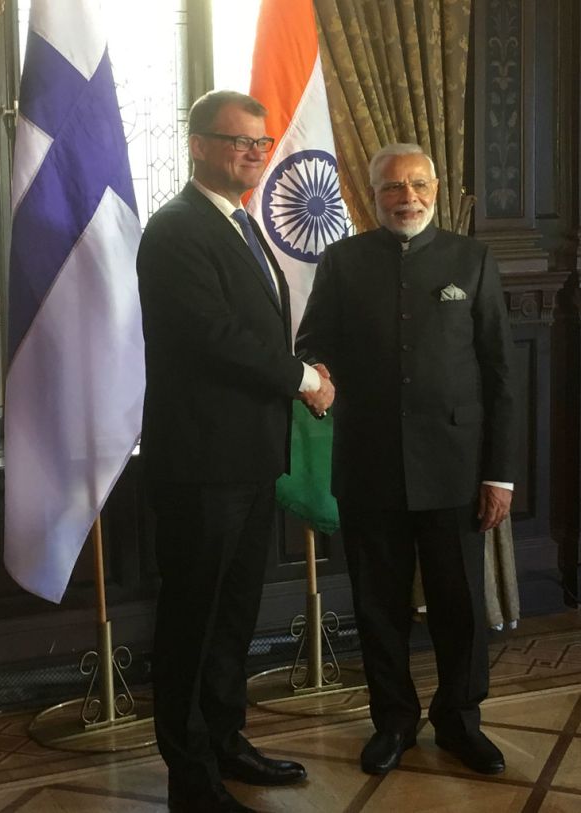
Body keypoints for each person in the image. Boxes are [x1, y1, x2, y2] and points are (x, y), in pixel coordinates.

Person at [137, 90, 334, 813]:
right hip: (200, 466)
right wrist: (305, 378)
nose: (254, 152)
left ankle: (225, 741)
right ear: (198, 145)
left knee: (232, 616)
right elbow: (215, 338)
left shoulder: (242, 223)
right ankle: (190, 777)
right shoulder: (176, 229)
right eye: (238, 141)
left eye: (261, 141)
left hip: (249, 462)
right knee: (193, 621)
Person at [295, 143, 517, 778]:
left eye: (418, 184)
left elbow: (501, 373)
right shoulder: (342, 261)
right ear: (372, 196)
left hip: (455, 467)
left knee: (459, 604)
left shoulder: (471, 260)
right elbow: (311, 346)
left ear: (436, 190)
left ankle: (460, 721)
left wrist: (499, 474)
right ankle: (392, 721)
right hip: (369, 466)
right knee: (378, 604)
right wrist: (319, 376)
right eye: (393, 187)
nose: (407, 197)